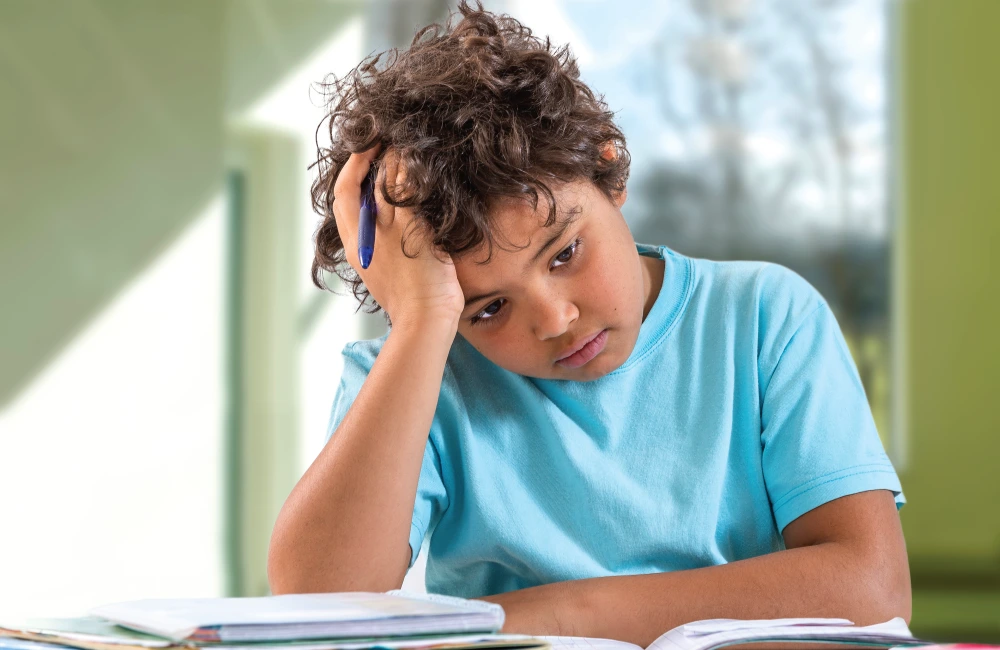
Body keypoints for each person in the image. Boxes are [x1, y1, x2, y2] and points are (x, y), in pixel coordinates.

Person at [267, 2, 910, 645]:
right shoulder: (415, 373)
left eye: (566, 253)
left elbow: (871, 588)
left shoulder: (767, 319)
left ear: (609, 168)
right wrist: (421, 326)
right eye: (487, 309)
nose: (556, 320)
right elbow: (318, 608)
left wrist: (555, 616)